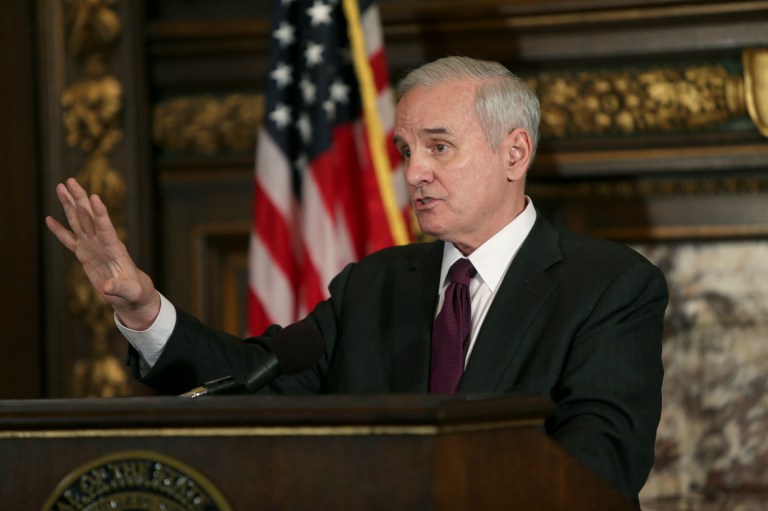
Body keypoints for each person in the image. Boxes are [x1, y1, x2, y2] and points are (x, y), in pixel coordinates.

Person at [47, 56, 667, 505]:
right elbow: (250, 384)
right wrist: (147, 310)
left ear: (515, 153)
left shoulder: (609, 286)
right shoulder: (374, 285)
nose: (415, 172)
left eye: (439, 147)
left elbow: (600, 468)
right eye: (404, 150)